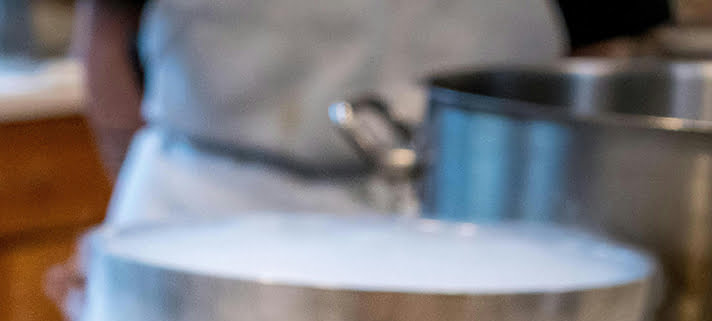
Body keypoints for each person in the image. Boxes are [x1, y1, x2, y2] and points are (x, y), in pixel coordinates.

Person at [77, 0, 673, 225]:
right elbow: (105, 34)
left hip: (471, 232)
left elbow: (596, 61)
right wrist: (131, 245)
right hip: (205, 212)